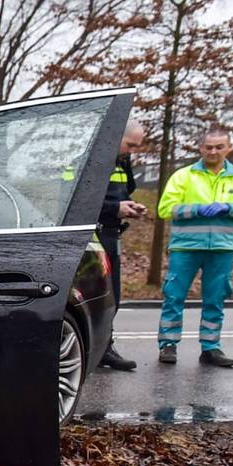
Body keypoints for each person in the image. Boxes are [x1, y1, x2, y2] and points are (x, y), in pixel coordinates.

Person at [156, 127, 233, 367]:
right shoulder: (183, 176)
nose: (213, 151)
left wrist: (229, 208)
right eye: (208, 147)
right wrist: (196, 209)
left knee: (215, 299)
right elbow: (165, 208)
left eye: (219, 147)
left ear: (229, 148)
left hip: (222, 248)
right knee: (174, 296)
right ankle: (168, 344)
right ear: (200, 148)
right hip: (185, 247)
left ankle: (211, 347)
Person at [96, 119, 148, 370]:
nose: (133, 151)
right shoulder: (92, 161)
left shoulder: (121, 163)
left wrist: (130, 206)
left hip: (112, 235)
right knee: (97, 296)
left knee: (112, 297)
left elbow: (124, 193)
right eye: (130, 145)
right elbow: (77, 202)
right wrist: (115, 208)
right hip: (93, 238)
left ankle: (105, 348)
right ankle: (94, 349)